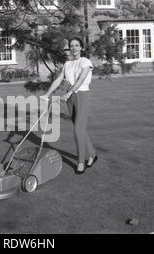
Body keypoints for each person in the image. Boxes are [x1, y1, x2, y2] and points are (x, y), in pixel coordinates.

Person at [43, 37, 97, 174]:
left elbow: (81, 79)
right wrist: (47, 94)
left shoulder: (86, 62)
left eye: (77, 45)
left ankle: (80, 163)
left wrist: (68, 93)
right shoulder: (67, 64)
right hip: (70, 98)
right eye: (72, 46)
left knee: (78, 130)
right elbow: (58, 80)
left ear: (81, 48)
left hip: (82, 96)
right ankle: (92, 155)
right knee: (80, 129)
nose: (74, 48)